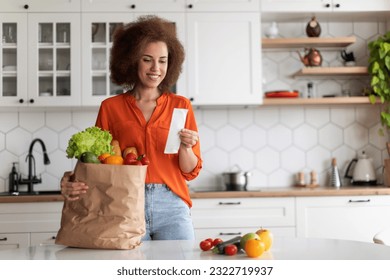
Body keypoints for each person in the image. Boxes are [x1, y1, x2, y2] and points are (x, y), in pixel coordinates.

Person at [60, 15, 202, 240]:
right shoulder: (111, 107)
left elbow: (189, 171)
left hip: (172, 207)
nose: (156, 68)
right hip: (124, 205)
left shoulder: (180, 105)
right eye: (147, 59)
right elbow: (97, 164)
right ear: (132, 59)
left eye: (163, 60)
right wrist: (71, 179)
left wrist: (186, 147)